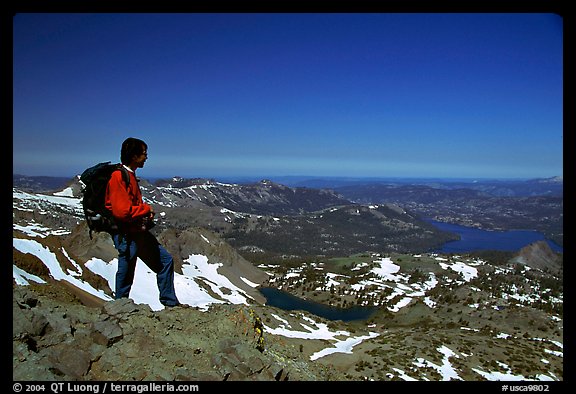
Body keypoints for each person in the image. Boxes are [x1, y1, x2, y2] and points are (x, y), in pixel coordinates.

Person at [105, 137, 180, 308]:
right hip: (126, 233)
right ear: (133, 156)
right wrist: (145, 210)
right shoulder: (118, 177)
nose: (146, 157)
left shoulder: (129, 175)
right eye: (144, 154)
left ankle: (170, 304)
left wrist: (144, 213)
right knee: (126, 270)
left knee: (165, 260)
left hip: (137, 231)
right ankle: (119, 306)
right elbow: (122, 211)